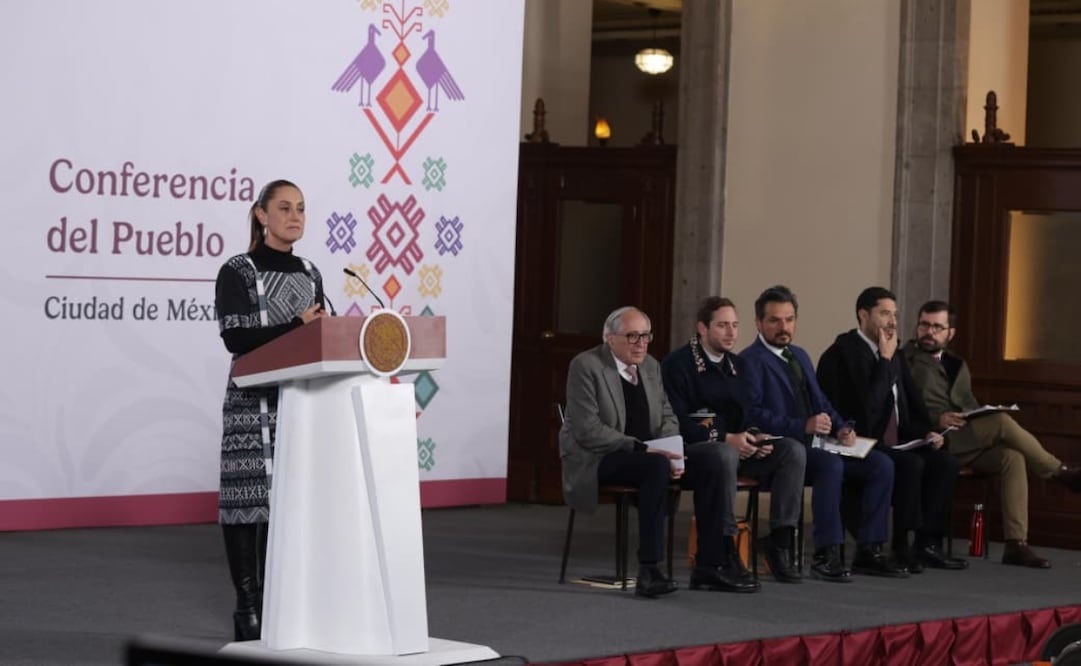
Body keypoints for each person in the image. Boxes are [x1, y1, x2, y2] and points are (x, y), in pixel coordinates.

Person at [214, 179, 328, 640]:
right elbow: (236, 338)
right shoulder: (238, 271)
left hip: (303, 403)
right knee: (247, 503)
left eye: (301, 208)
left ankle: (285, 603)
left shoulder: (309, 270)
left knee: (291, 506)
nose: (295, 216)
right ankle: (249, 608)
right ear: (261, 215)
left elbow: (322, 335)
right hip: (251, 400)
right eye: (284, 207)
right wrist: (297, 326)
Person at [740, 286, 905, 581]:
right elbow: (751, 414)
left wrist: (844, 427)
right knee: (831, 465)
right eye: (775, 320)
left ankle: (869, 549)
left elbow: (822, 402)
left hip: (819, 443)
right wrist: (801, 426)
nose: (783, 327)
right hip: (782, 450)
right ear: (758, 323)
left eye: (789, 319)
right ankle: (825, 554)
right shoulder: (750, 360)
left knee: (881, 464)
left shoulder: (800, 355)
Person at [903, 300, 1081, 568]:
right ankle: (1059, 471)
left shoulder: (957, 364)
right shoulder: (904, 360)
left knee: (1012, 457)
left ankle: (1015, 545)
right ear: (917, 327)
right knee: (1000, 422)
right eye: (924, 325)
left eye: (937, 327)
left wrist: (976, 412)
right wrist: (936, 419)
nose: (929, 332)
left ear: (950, 333)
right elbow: (900, 406)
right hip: (933, 438)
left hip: (964, 436)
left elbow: (967, 402)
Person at [817, 287, 967, 572]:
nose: (893, 322)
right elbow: (868, 410)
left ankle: (926, 543)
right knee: (910, 464)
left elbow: (912, 404)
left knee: (944, 461)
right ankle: (900, 546)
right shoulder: (843, 354)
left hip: (899, 440)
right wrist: (884, 361)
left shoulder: (893, 353)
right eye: (885, 314)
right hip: (861, 440)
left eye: (895, 315)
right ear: (864, 315)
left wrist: (927, 433)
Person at [661, 297, 808, 587]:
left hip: (734, 447)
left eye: (734, 326)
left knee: (792, 450)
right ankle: (724, 552)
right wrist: (728, 438)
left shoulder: (738, 365)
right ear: (702, 328)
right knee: (723, 454)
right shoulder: (677, 365)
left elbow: (746, 414)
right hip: (692, 451)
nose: (731, 333)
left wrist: (755, 436)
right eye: (722, 326)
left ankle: (780, 543)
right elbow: (676, 421)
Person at [560, 306, 689, 598]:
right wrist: (642, 448)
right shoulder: (586, 366)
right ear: (610, 338)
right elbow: (588, 429)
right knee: (655, 467)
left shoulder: (652, 366)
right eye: (632, 336)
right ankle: (649, 569)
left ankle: (713, 563)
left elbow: (668, 416)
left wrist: (672, 447)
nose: (641, 343)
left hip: (647, 453)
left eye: (645, 335)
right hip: (598, 457)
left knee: (714, 460)